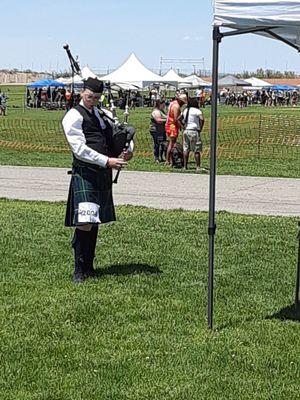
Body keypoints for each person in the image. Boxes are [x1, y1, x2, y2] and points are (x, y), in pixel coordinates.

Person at [62, 77, 133, 283]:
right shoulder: (73, 116)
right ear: (82, 93)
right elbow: (79, 149)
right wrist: (106, 161)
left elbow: (118, 134)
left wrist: (127, 151)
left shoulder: (102, 115)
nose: (93, 100)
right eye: (90, 96)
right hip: (86, 172)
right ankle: (78, 269)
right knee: (85, 220)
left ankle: (89, 266)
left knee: (94, 220)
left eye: (96, 97)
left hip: (102, 172)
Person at [181, 97, 204, 171]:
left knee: (186, 149)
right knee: (196, 149)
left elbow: (178, 118)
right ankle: (198, 167)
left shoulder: (185, 110)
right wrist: (200, 127)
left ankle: (185, 166)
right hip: (194, 131)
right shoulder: (197, 111)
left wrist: (182, 126)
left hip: (186, 131)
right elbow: (202, 119)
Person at [165, 93, 187, 166]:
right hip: (172, 126)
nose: (183, 104)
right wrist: (182, 126)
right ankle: (168, 160)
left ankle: (169, 159)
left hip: (169, 124)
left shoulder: (172, 103)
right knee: (172, 143)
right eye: (183, 102)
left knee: (171, 142)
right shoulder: (176, 106)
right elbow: (175, 119)